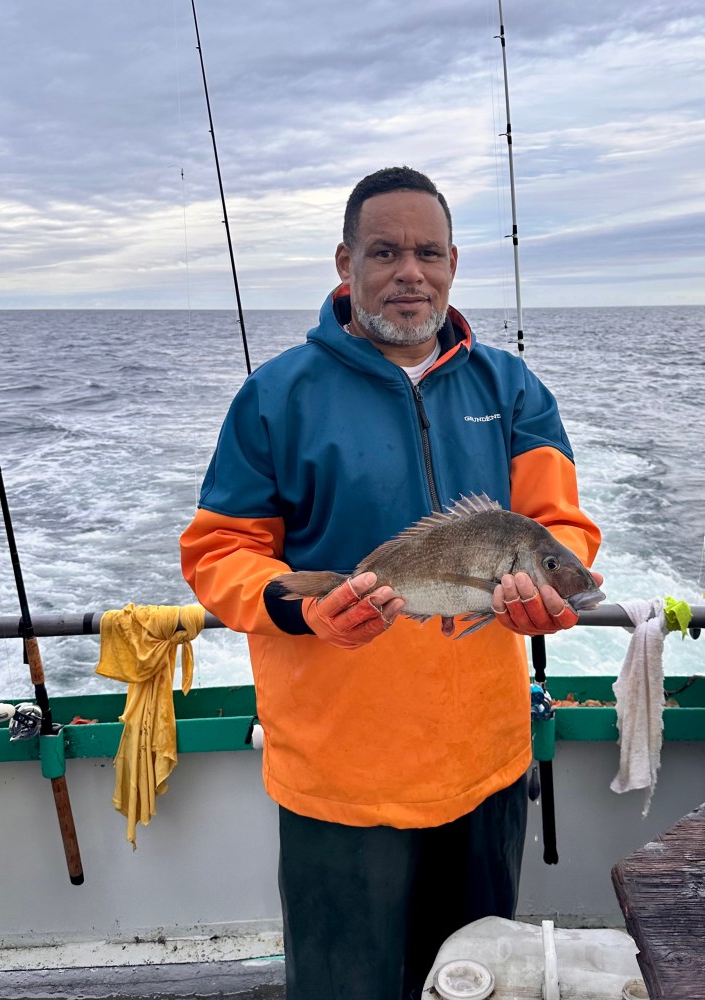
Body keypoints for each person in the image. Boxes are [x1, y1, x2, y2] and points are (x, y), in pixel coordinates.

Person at [180, 166, 601, 1000]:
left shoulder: (511, 388)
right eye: (385, 251)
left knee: (472, 980)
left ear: (452, 264)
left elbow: (562, 533)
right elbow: (218, 551)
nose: (410, 271)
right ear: (346, 263)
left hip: (486, 762)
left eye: (428, 252)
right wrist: (301, 613)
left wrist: (545, 600)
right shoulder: (274, 396)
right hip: (341, 773)